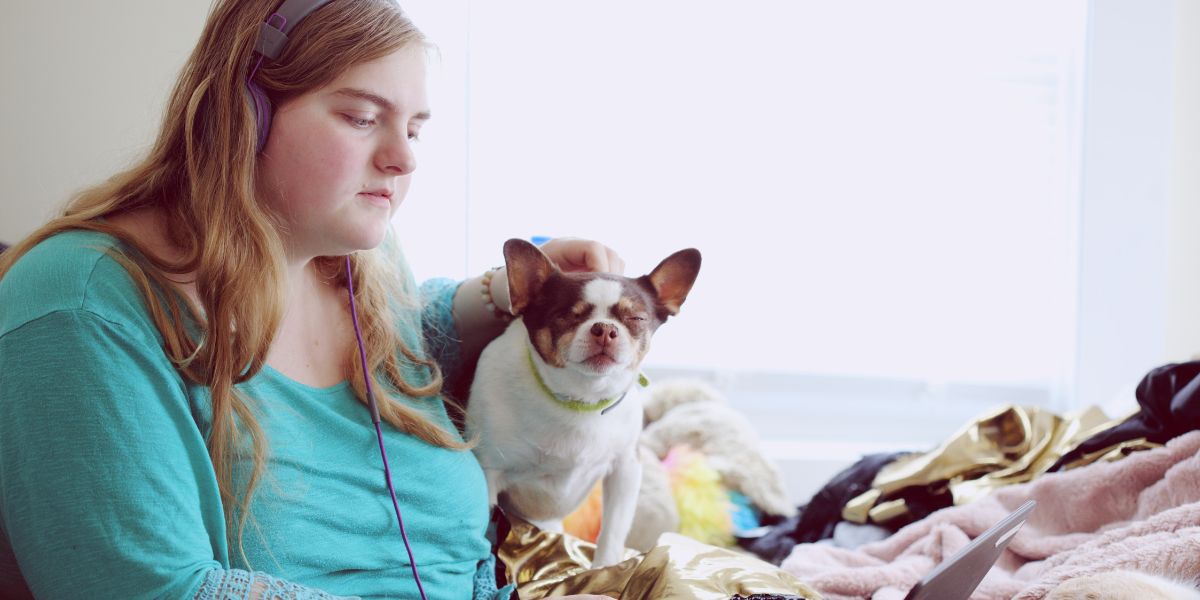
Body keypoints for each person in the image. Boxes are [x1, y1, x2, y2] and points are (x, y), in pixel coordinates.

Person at [0, 1, 620, 599]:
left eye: (414, 129)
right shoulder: (81, 308)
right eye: (361, 117)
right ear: (244, 114)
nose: (403, 158)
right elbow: (153, 588)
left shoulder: (355, 260)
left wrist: (512, 293)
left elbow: (407, 342)